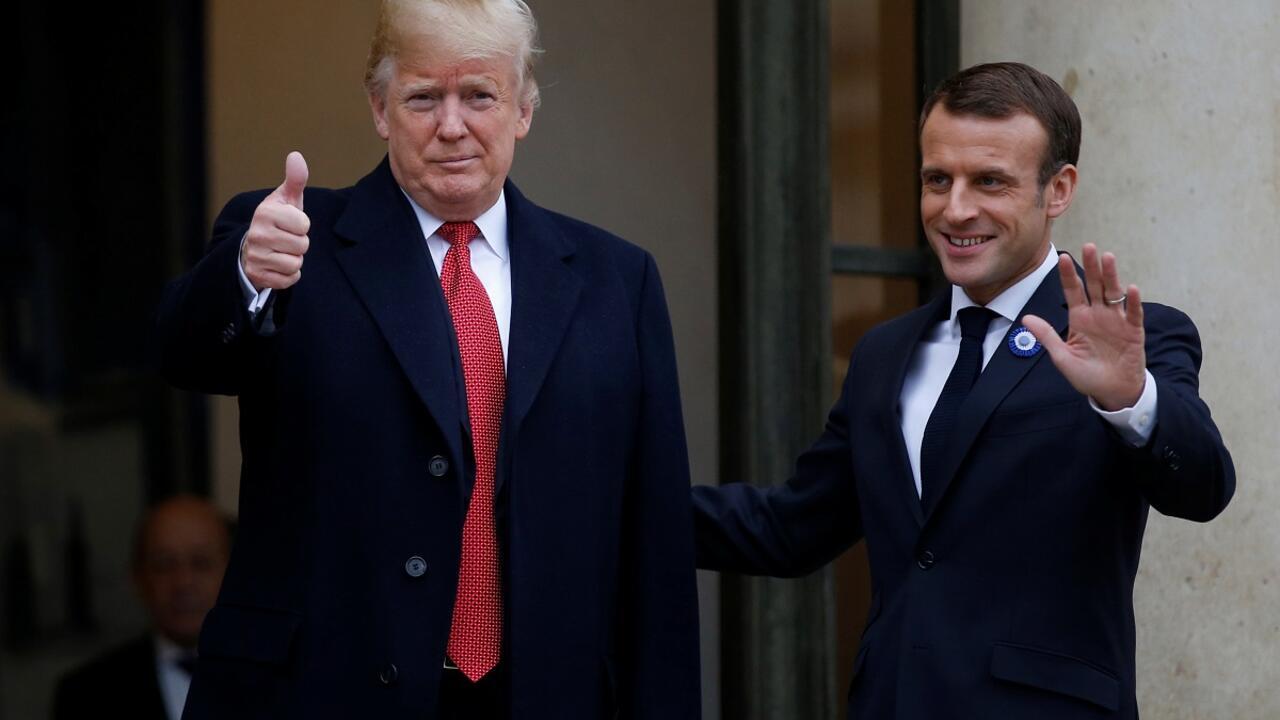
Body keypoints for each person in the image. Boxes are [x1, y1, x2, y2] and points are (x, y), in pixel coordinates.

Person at [155, 1, 700, 718]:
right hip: (321, 693)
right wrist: (249, 277)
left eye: (479, 95)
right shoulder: (292, 242)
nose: (452, 125)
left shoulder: (616, 282)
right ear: (381, 108)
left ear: (524, 109)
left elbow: (654, 547)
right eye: (422, 97)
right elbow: (183, 355)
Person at [694, 62, 1234, 719]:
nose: (955, 209)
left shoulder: (1126, 342)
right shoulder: (884, 354)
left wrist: (1130, 401)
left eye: (990, 182)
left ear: (1057, 190)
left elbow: (1203, 486)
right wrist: (608, 498)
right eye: (936, 180)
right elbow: (790, 529)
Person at [52, 496, 231, 720]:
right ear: (138, 578)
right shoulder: (85, 693)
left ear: (233, 574)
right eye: (164, 564)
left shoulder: (275, 679)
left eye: (201, 562)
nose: (183, 582)